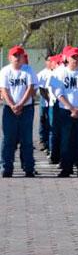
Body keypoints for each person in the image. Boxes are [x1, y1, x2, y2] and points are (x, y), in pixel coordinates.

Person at [50, 47, 78, 177]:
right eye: (73, 57)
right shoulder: (59, 72)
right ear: (67, 59)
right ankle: (66, 168)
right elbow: (58, 93)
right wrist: (71, 108)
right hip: (65, 111)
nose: (75, 60)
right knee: (65, 140)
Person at [1, 46, 37, 177]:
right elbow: (4, 90)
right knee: (8, 139)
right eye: (14, 55)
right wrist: (12, 105)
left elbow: (30, 88)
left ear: (23, 57)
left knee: (26, 139)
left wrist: (20, 104)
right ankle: (6, 168)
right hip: (9, 109)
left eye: (19, 55)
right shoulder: (5, 71)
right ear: (9, 58)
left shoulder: (28, 70)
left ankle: (29, 168)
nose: (17, 58)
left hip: (26, 109)